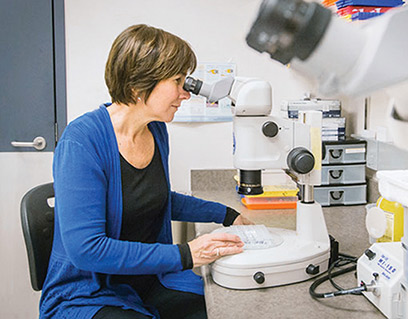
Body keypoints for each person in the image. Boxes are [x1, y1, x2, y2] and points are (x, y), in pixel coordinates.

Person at [40, 24, 252, 319]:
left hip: (152, 279)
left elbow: (156, 198)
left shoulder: (156, 130)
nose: (185, 94)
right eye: (178, 82)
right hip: (91, 293)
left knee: (226, 308)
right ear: (139, 85)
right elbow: (86, 249)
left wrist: (226, 214)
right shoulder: (82, 140)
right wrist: (186, 254)